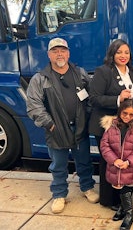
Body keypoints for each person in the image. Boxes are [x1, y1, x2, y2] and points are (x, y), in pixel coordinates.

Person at [26, 37, 99, 214]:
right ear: (49, 55)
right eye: (55, 51)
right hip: (56, 129)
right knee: (58, 165)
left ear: (68, 53)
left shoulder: (80, 73)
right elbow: (34, 104)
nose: (59, 54)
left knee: (84, 161)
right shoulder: (40, 78)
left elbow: (92, 96)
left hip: (79, 128)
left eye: (63, 50)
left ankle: (87, 188)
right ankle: (59, 194)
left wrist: (87, 116)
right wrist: (50, 124)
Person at [88, 39, 133, 210]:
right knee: (110, 162)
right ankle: (109, 200)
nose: (123, 55)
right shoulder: (103, 72)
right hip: (107, 126)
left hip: (127, 124)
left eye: (126, 52)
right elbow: (94, 98)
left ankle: (124, 198)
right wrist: (118, 99)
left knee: (125, 160)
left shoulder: (132, 71)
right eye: (119, 52)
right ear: (112, 54)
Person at [100, 98, 133, 230]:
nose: (127, 117)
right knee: (118, 187)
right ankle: (122, 207)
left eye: (131, 114)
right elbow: (105, 145)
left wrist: (129, 161)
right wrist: (114, 160)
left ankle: (129, 214)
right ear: (119, 112)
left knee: (127, 187)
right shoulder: (111, 127)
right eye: (125, 113)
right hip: (115, 165)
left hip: (130, 166)